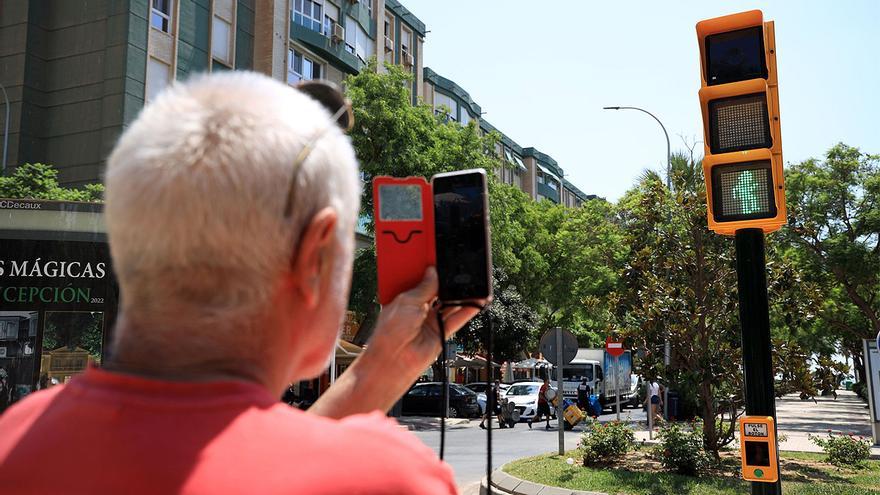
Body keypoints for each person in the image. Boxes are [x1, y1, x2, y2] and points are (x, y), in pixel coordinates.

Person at [0, 73, 482, 494]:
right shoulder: (388, 479)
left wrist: (378, 370)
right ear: (314, 257)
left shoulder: (17, 438)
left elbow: (225, 457)